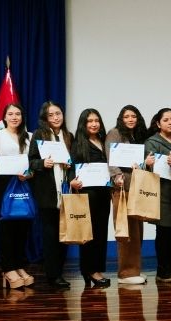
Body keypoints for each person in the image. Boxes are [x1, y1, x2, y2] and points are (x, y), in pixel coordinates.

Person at [0, 103, 35, 289]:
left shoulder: (30, 137)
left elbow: (33, 164)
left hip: (24, 183)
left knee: (23, 227)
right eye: (10, 114)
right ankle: (8, 269)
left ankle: (20, 266)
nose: (14, 117)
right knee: (7, 228)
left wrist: (28, 174)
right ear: (4, 117)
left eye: (18, 114)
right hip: (3, 185)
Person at [28, 101, 74, 288]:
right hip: (47, 194)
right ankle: (52, 275)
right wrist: (42, 163)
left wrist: (70, 167)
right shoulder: (40, 135)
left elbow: (75, 161)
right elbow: (31, 161)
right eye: (51, 115)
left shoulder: (69, 136)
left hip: (67, 192)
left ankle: (60, 272)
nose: (56, 117)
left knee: (64, 235)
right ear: (45, 118)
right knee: (50, 235)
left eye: (58, 113)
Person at [143, 108, 171, 284]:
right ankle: (162, 269)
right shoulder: (152, 142)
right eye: (166, 120)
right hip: (162, 191)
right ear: (158, 124)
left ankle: (170, 267)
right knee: (163, 231)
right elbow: (149, 166)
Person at [69, 108, 113, 288]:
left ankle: (96, 269)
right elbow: (71, 167)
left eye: (97, 120)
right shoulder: (78, 142)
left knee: (102, 232)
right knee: (88, 233)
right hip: (87, 193)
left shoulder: (104, 142)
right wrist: (73, 181)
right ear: (83, 124)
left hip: (104, 192)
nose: (94, 124)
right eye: (90, 121)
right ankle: (89, 270)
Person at [106, 105, 149, 285]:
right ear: (121, 119)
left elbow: (141, 163)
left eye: (133, 116)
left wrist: (147, 163)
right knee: (126, 231)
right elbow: (110, 158)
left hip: (136, 187)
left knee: (137, 230)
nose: (130, 119)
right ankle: (126, 273)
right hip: (122, 188)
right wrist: (116, 176)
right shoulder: (115, 133)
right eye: (127, 116)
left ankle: (135, 269)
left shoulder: (137, 136)